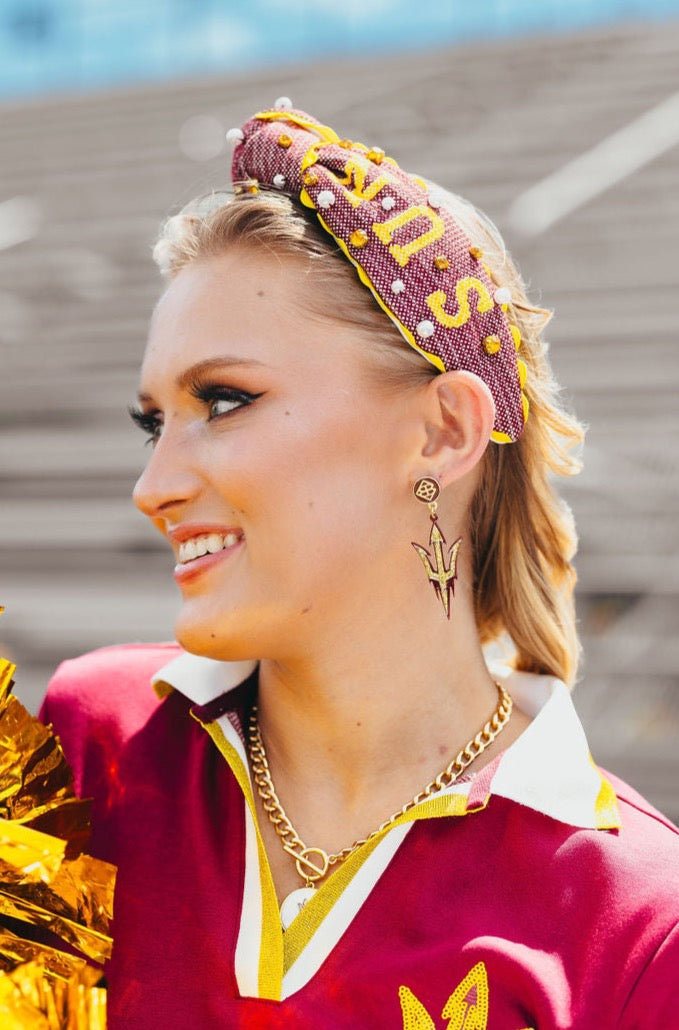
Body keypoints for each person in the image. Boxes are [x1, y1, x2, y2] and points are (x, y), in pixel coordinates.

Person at [39, 101, 679, 1029]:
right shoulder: (90, 747)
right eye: (152, 421)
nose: (154, 484)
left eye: (224, 400)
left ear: (442, 429)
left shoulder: (635, 930)